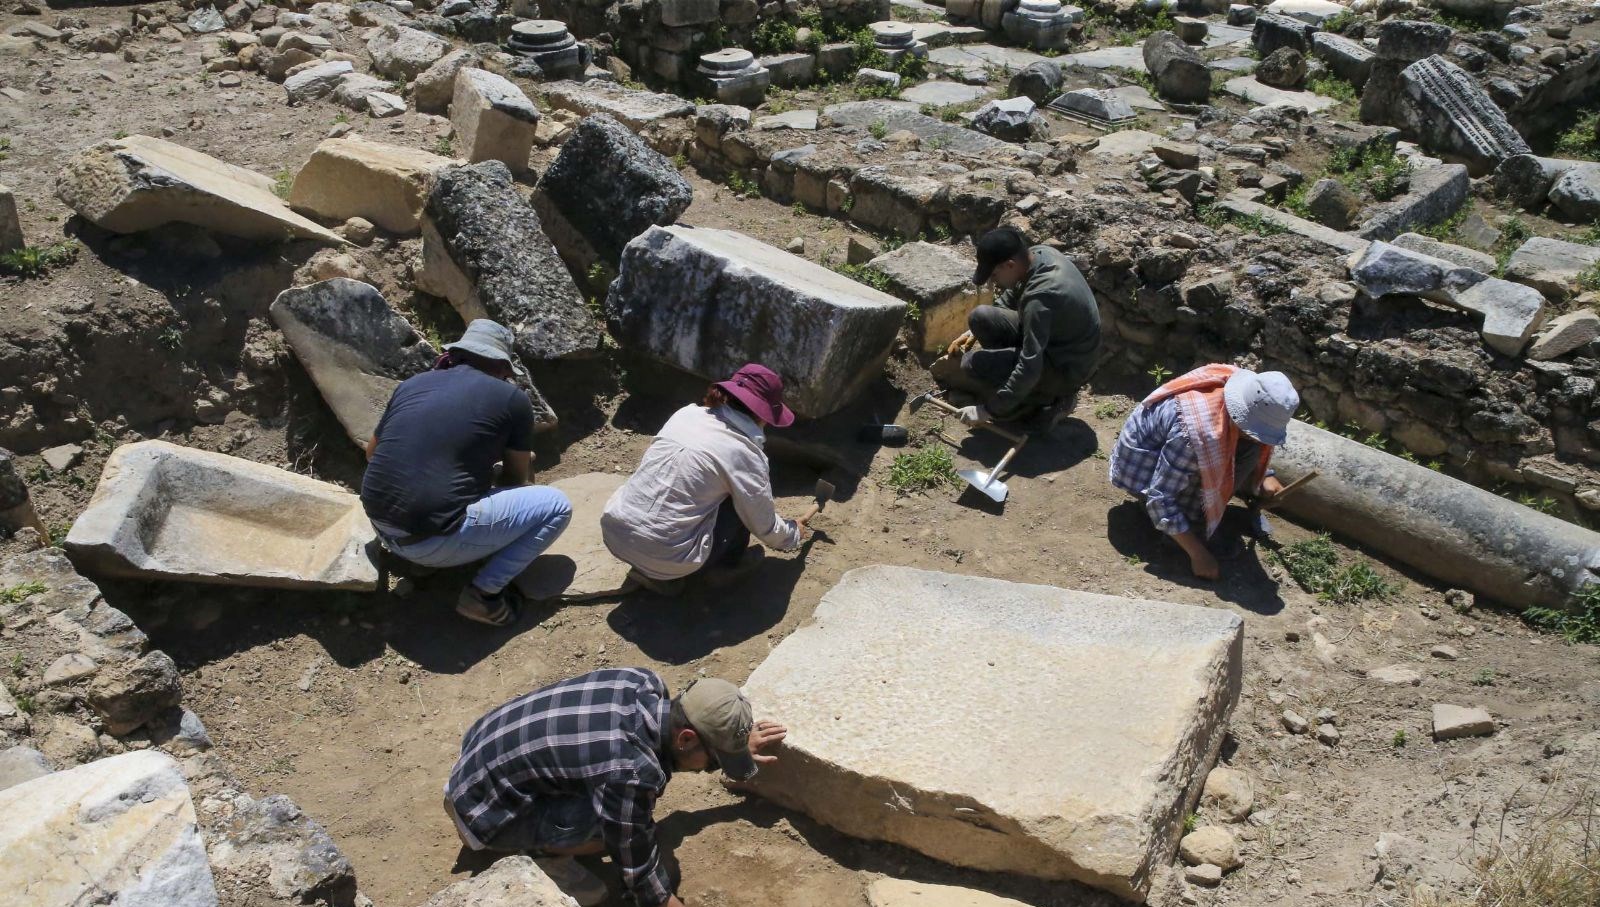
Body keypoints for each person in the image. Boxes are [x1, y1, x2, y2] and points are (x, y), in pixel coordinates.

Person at [443, 667, 787, 907]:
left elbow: (655, 754)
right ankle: (545, 860)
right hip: (484, 813)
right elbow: (637, 867)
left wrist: (732, 745)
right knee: (608, 830)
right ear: (686, 737)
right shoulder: (628, 772)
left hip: (476, 760)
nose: (713, 768)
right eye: (714, 760)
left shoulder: (642, 682)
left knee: (612, 793)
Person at [361, 319, 571, 626]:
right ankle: (483, 595)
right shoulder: (512, 399)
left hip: (379, 525)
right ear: (503, 367)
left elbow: (372, 454)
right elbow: (515, 480)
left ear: (456, 354)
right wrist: (502, 468)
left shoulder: (413, 384)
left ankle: (422, 563)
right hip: (429, 542)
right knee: (556, 506)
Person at [601, 363, 807, 596]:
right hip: (668, 557)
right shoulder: (745, 453)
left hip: (614, 532)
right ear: (764, 414)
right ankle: (722, 567)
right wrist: (792, 534)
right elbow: (765, 526)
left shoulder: (686, 414)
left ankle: (649, 564)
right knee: (739, 502)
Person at [1109, 364, 1299, 581]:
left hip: (1175, 456)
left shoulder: (1244, 391)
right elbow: (1160, 498)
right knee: (1233, 455)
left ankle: (1200, 515)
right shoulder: (1195, 435)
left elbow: (1250, 440)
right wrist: (1198, 554)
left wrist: (1266, 476)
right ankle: (1185, 533)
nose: (1258, 437)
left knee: (1251, 448)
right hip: (1138, 471)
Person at [939, 226, 1103, 426]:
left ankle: (1051, 400)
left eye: (994, 276)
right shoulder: (1038, 255)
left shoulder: (1041, 298)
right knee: (981, 317)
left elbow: (1029, 364)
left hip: (1068, 367)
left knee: (972, 364)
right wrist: (972, 333)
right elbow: (1011, 296)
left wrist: (987, 410)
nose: (994, 281)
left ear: (1009, 265)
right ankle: (1016, 390)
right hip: (1059, 342)